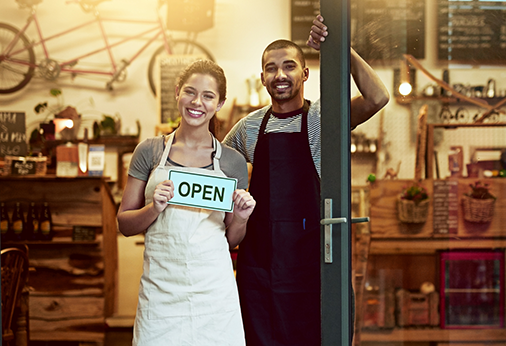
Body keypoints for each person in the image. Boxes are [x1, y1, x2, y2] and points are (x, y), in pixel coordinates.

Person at [222, 15, 389, 346]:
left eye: (289, 66)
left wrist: (340, 48)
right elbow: (215, 170)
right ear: (262, 78)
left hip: (314, 264)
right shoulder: (247, 128)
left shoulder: (324, 118)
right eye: (271, 68)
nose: (280, 75)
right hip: (261, 269)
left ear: (305, 73)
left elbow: (377, 98)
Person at [117, 60, 256, 346]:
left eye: (208, 96)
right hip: (161, 291)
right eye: (190, 92)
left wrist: (241, 216)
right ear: (177, 92)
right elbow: (124, 224)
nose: (197, 102)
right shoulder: (150, 152)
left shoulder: (232, 162)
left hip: (214, 292)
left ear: (219, 104)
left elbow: (231, 240)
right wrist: (152, 208)